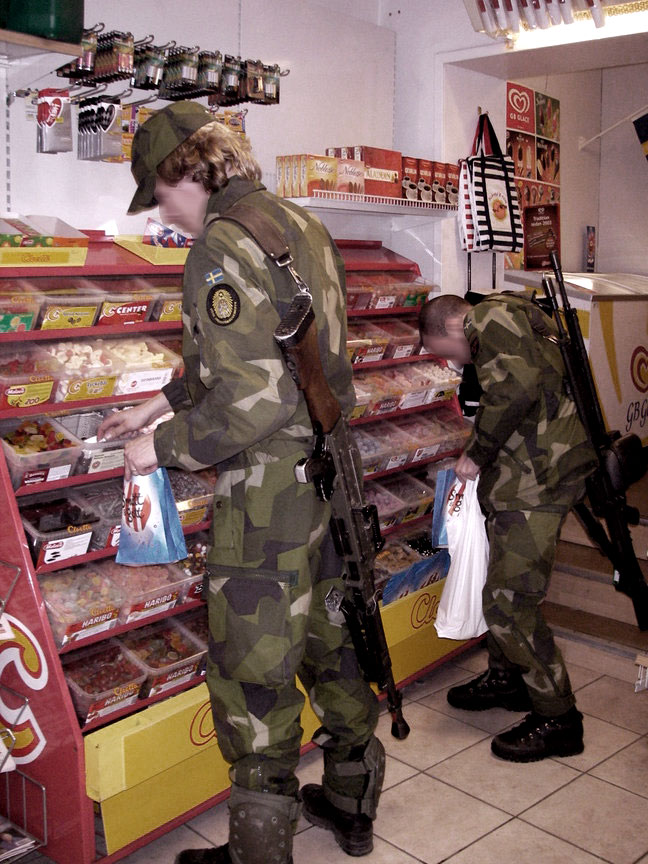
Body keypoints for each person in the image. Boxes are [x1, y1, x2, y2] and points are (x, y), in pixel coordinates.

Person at [98, 101, 384, 864]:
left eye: (162, 196)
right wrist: (157, 405)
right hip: (330, 470)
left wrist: (158, 447)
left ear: (186, 172)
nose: (166, 214)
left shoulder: (221, 245)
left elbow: (255, 399)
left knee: (253, 669)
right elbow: (275, 354)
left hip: (269, 493)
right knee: (331, 636)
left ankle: (260, 850)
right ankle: (352, 800)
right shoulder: (298, 224)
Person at [419, 292, 596, 763]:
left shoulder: (488, 317)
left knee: (508, 604)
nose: (454, 363)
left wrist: (475, 454)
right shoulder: (512, 316)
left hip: (538, 481)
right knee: (498, 585)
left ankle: (559, 717)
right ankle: (509, 678)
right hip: (529, 475)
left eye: (443, 351)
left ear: (449, 329)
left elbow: (516, 388)